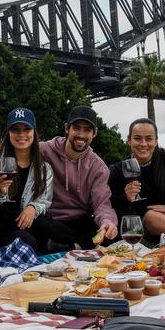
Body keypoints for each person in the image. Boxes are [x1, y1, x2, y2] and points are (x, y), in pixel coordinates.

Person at [36, 106, 118, 252]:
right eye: (77, 128)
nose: (81, 135)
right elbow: (18, 152)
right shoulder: (43, 150)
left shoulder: (98, 166)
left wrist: (107, 222)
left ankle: (70, 247)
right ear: (67, 128)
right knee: (36, 220)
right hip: (48, 218)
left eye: (87, 130)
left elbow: (102, 203)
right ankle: (80, 245)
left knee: (110, 227)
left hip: (78, 220)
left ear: (94, 134)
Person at [0, 108, 53, 251]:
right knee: (28, 242)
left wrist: (33, 207)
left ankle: (76, 245)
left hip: (25, 223)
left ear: (34, 132)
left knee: (46, 224)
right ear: (8, 133)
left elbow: (45, 201)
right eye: (15, 130)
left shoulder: (43, 167)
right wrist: (0, 190)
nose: (21, 135)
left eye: (26, 129)